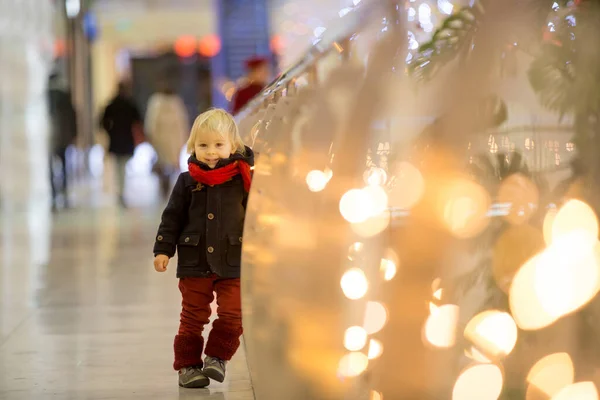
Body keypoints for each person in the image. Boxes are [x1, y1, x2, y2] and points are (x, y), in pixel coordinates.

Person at [152, 109, 254, 388]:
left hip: (232, 259)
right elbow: (172, 217)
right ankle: (187, 366)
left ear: (233, 146)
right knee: (193, 314)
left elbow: (256, 218)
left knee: (234, 312)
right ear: (192, 146)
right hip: (194, 261)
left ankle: (216, 358)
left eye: (218, 145)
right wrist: (163, 249)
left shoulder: (244, 180)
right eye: (203, 145)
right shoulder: (187, 181)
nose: (210, 152)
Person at [99, 81, 143, 207]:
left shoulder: (112, 105)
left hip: (116, 140)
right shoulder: (129, 104)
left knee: (119, 166)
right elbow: (138, 120)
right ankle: (121, 191)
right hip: (126, 140)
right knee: (122, 166)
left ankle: (120, 191)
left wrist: (110, 131)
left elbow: (102, 122)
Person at [145, 79, 189, 199]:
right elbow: (182, 123)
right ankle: (166, 186)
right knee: (167, 165)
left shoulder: (157, 102)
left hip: (163, 140)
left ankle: (165, 186)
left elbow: (151, 123)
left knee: (165, 164)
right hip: (170, 140)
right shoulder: (174, 103)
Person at [48, 73, 77, 211]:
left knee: (49, 168)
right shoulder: (65, 96)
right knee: (64, 166)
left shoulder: (44, 95)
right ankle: (64, 194)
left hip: (49, 137)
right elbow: (72, 116)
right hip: (63, 137)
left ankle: (53, 195)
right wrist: (73, 134)